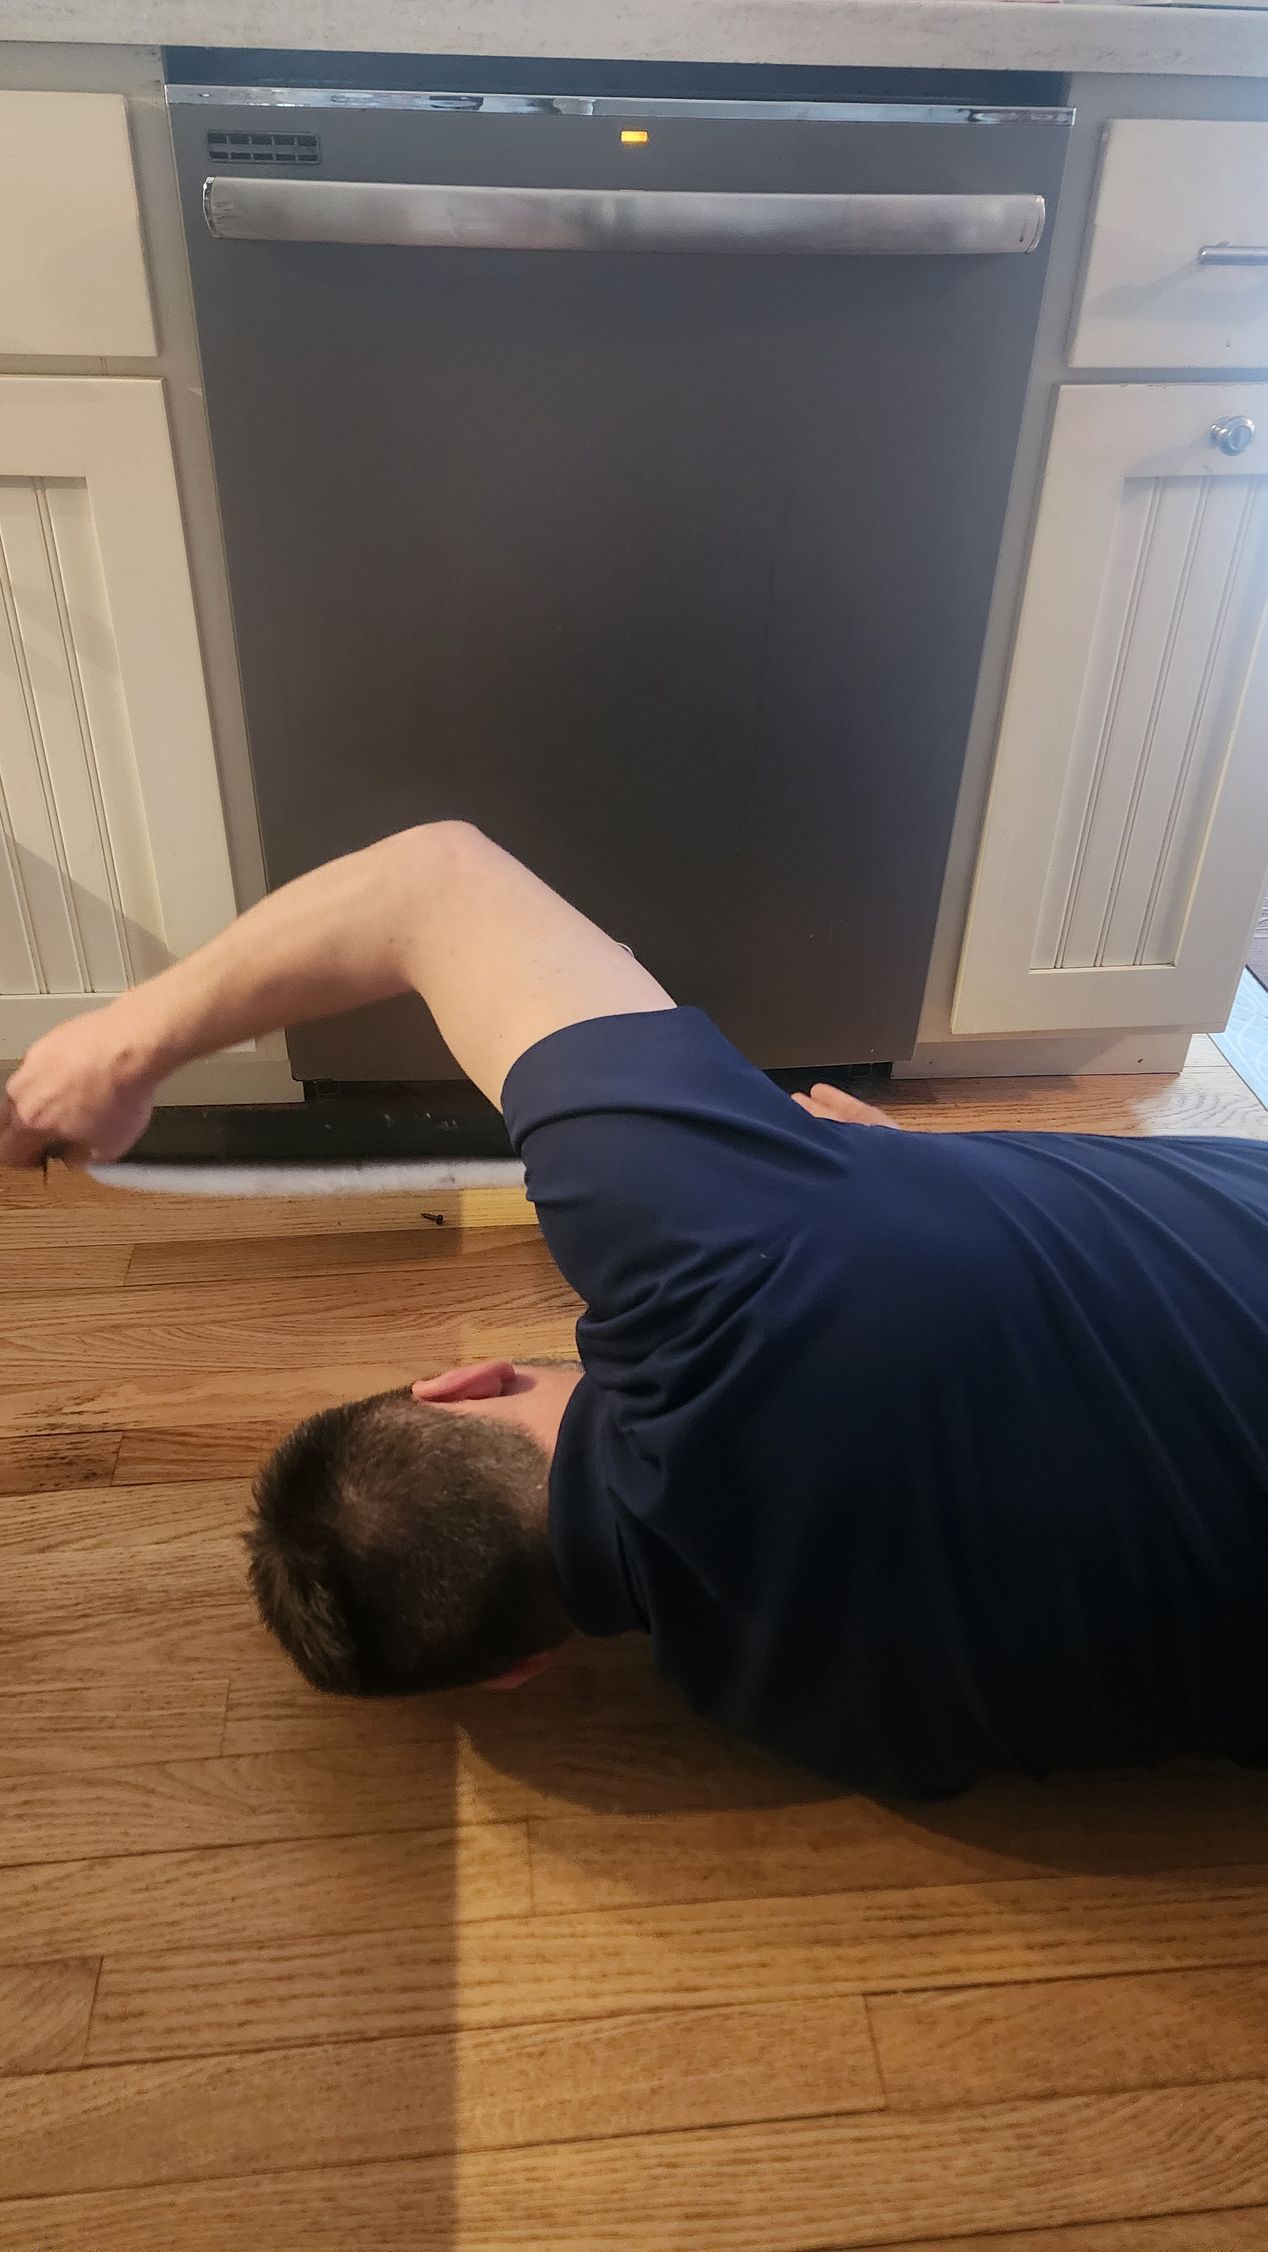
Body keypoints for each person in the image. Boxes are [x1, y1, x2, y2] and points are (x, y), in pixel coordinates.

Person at [4, 821, 1267, 1798]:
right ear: (467, 1380)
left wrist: (915, 1199)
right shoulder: (718, 1257)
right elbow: (430, 880)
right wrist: (114, 1051)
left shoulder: (828, 1730)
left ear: (520, 1662)